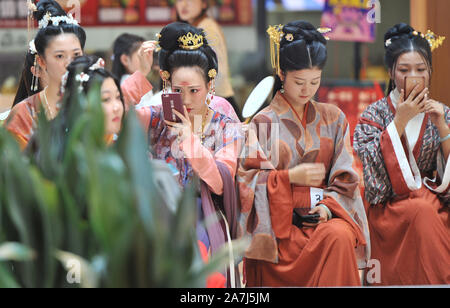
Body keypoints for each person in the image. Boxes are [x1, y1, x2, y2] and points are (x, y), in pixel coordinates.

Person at [238, 21, 370, 287]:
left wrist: (327, 208)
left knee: (339, 235)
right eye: (299, 81)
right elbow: (247, 183)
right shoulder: (263, 122)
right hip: (279, 226)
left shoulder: (334, 118)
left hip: (323, 214)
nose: (307, 89)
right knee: (297, 244)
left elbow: (347, 180)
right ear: (281, 72)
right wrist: (288, 178)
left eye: (314, 81)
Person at [123, 22, 243, 287]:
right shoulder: (156, 119)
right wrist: (140, 76)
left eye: (194, 91)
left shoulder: (225, 124)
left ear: (210, 84)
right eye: (177, 91)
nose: (186, 100)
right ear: (166, 83)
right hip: (159, 210)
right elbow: (112, 115)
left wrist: (189, 139)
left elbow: (221, 180)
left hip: (204, 212)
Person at [353, 23, 449, 286]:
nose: (414, 76)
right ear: (391, 72)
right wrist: (399, 122)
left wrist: (442, 127)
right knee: (421, 212)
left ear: (430, 71)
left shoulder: (442, 112)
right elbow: (372, 176)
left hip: (435, 201)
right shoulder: (374, 115)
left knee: (426, 210)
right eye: (404, 70)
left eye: (421, 69)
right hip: (390, 206)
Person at [5, 0, 86, 149]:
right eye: (60, 56)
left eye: (76, 54)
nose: (70, 63)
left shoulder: (93, 104)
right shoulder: (24, 114)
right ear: (41, 62)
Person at [174, 0, 240, 119]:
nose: (183, 5)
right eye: (179, 0)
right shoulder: (198, 27)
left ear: (204, 4)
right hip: (209, 101)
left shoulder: (206, 29)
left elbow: (216, 71)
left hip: (217, 102)